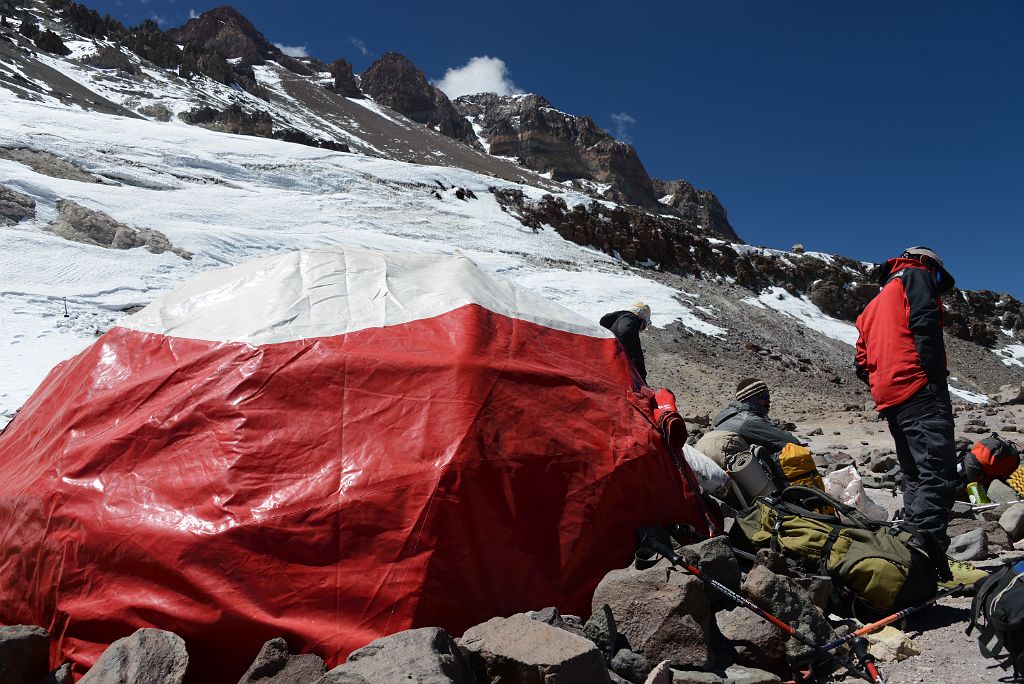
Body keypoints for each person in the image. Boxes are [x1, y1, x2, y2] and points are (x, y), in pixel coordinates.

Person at [854, 246, 956, 549]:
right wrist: (934, 378)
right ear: (927, 263)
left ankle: (909, 551)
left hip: (891, 398)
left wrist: (882, 381)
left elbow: (860, 360)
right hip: (920, 389)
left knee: (914, 475)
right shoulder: (916, 275)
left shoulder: (872, 305)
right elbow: (924, 323)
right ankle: (926, 554)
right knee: (937, 475)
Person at [711, 378, 798, 453]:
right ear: (753, 398)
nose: (768, 401)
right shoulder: (748, 420)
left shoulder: (726, 417)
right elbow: (793, 442)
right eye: (765, 397)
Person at [600, 302, 651, 382]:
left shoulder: (617, 321)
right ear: (643, 320)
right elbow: (627, 333)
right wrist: (641, 376)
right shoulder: (629, 318)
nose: (641, 330)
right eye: (645, 326)